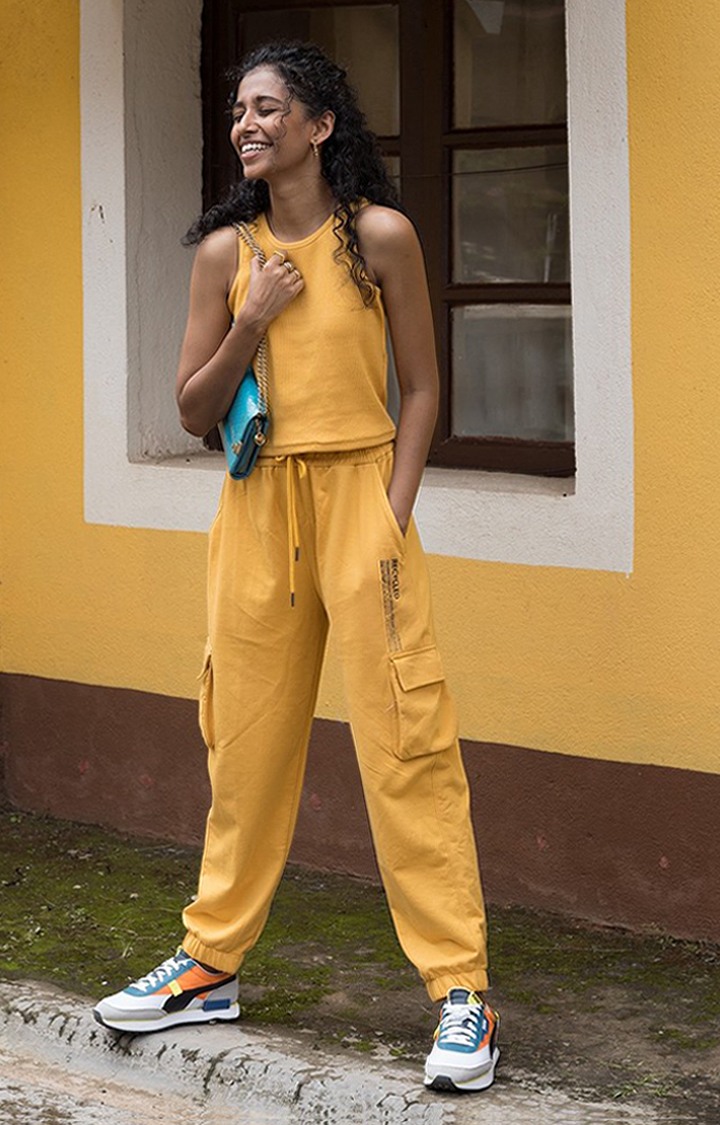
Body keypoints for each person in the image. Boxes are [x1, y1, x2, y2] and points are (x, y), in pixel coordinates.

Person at [93, 40, 499, 1094]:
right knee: (246, 736)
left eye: (267, 107)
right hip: (254, 502)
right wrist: (252, 320)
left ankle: (462, 993)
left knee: (407, 738)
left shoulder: (380, 238)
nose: (246, 123)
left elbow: (421, 389)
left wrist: (392, 513)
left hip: (362, 495)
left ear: (320, 125)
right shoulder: (228, 254)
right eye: (237, 111)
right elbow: (190, 410)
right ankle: (210, 963)